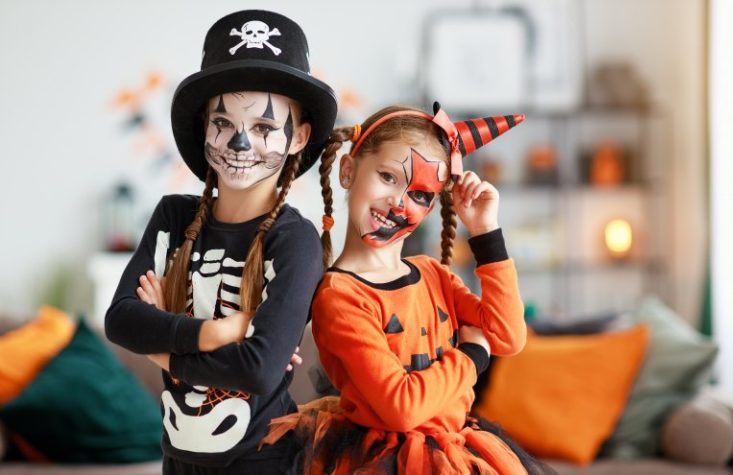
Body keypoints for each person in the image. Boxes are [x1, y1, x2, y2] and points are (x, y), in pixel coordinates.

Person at [261, 103, 553, 474]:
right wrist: (472, 358)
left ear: (431, 208)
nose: (398, 202)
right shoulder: (340, 296)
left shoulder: (433, 274)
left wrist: (485, 234)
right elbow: (402, 408)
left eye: (419, 195)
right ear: (348, 170)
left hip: (456, 451)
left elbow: (508, 336)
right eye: (387, 176)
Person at [104, 10, 337, 474]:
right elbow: (121, 321)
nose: (240, 144)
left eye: (266, 128)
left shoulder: (295, 240)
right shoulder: (174, 216)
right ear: (204, 127)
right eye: (223, 123)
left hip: (263, 463)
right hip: (177, 460)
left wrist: (160, 347)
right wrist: (216, 333)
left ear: (300, 138)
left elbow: (258, 370)